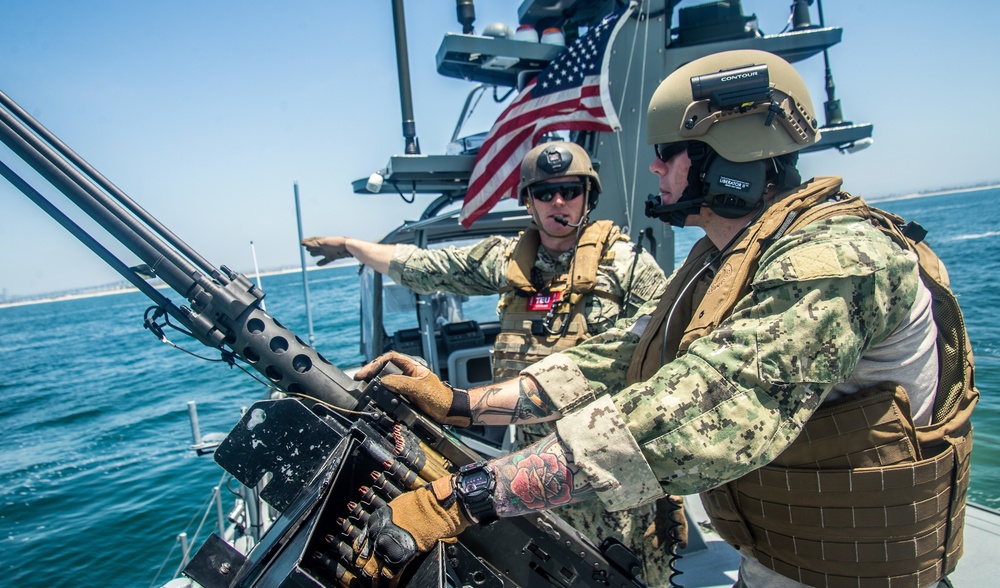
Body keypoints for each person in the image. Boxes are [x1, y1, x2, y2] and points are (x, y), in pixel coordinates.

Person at [345, 49, 979, 588]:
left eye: (669, 152)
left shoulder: (836, 259)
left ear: (728, 161)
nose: (653, 168)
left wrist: (468, 496)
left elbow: (699, 409)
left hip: (858, 570)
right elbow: (622, 356)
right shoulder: (720, 262)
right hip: (788, 554)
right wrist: (460, 402)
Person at [303, 141, 675, 580]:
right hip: (531, 459)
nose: (559, 202)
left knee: (619, 570)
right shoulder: (510, 259)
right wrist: (350, 246)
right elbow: (427, 266)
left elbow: (664, 349)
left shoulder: (629, 265)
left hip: (601, 460)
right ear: (529, 201)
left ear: (588, 196)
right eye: (545, 192)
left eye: (570, 190)